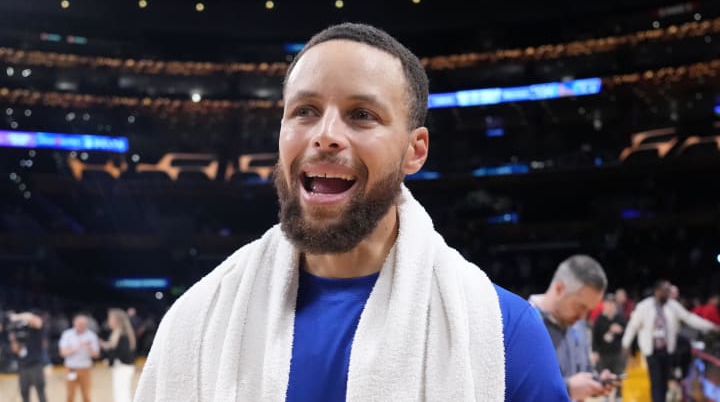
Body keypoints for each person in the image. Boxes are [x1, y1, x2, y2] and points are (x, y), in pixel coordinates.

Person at [134, 22, 569, 401]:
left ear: (414, 151)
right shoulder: (196, 321)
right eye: (304, 111)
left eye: (361, 114)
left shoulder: (504, 333)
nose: (325, 135)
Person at [529, 255, 618, 401]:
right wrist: (567, 388)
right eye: (580, 306)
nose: (583, 316)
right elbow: (517, 390)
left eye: (589, 310)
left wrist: (595, 380)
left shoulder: (577, 323)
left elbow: (581, 370)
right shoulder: (523, 325)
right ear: (559, 289)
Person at [622, 280, 720, 402]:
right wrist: (625, 343)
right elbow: (633, 326)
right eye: (665, 290)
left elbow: (689, 318)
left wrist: (711, 326)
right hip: (651, 351)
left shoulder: (672, 305)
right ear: (657, 291)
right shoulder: (644, 306)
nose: (668, 293)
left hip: (667, 350)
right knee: (656, 381)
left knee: (665, 381)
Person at [7, 311, 48, 402]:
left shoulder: (35, 330)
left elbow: (36, 321)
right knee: (24, 393)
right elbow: (16, 350)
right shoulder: (18, 333)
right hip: (23, 367)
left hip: (35, 365)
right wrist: (13, 339)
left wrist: (17, 316)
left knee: (40, 392)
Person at [592, 294, 627, 398]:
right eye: (608, 304)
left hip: (617, 353)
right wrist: (595, 351)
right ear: (604, 305)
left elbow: (627, 332)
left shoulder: (620, 317)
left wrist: (620, 330)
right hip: (603, 354)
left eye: (612, 304)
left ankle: (618, 397)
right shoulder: (599, 319)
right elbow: (595, 337)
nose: (610, 306)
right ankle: (605, 397)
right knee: (604, 377)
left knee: (619, 376)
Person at [59, 313, 100, 402]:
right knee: (70, 394)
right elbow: (63, 353)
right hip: (71, 369)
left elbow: (96, 355)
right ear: (74, 323)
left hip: (85, 369)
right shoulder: (67, 334)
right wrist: (76, 348)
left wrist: (89, 347)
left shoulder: (91, 336)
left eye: (84, 324)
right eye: (79, 324)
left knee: (86, 395)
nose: (82, 326)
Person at [100, 308, 136, 402]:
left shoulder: (123, 335)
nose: (109, 321)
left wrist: (109, 359)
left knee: (122, 393)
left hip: (123, 367)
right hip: (120, 367)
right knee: (119, 392)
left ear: (117, 320)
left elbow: (122, 353)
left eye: (110, 319)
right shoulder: (117, 334)